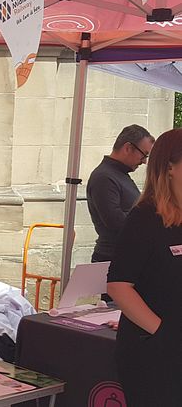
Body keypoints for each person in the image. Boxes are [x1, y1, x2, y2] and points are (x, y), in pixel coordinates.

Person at [107, 128, 182, 406]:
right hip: (153, 352)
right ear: (170, 167)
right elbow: (118, 285)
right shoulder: (144, 218)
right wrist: (163, 333)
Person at [87, 124, 155, 263]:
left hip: (125, 256)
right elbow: (115, 221)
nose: (144, 162)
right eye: (144, 155)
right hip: (112, 258)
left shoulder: (119, 174)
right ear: (128, 148)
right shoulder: (104, 177)